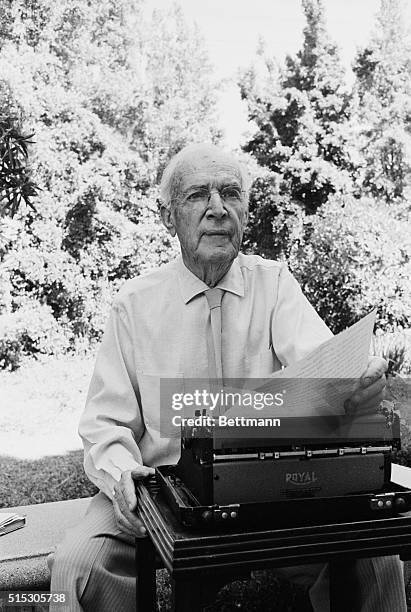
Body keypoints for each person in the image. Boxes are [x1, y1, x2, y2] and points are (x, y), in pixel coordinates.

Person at [50, 143, 406, 611]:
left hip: (267, 484)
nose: (217, 209)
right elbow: (105, 423)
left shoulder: (274, 282)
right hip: (161, 488)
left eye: (231, 194)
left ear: (246, 208)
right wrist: (123, 474)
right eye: (198, 195)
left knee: (375, 557)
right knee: (77, 565)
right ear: (167, 215)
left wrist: (353, 384)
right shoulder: (134, 305)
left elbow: (322, 364)